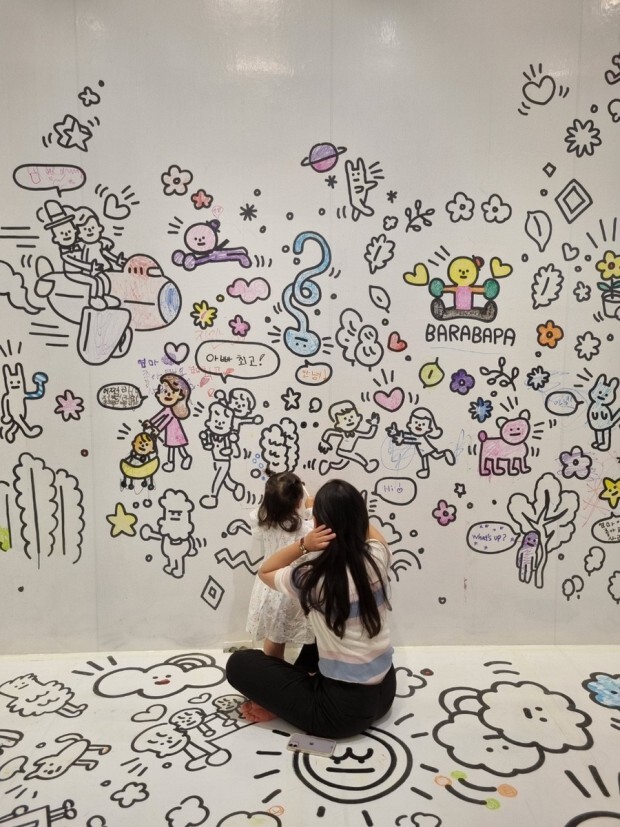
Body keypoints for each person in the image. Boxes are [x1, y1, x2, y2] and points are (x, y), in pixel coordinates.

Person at [226, 479, 396, 739]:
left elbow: (265, 571)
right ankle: (293, 694)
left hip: (340, 713)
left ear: (318, 525)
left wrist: (305, 544)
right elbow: (369, 532)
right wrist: (344, 512)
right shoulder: (377, 557)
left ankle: (279, 706)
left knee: (239, 663)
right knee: (321, 632)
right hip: (385, 691)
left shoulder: (313, 578)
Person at [246, 472, 315, 659]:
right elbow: (316, 530)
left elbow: (257, 513)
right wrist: (311, 509)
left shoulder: (262, 521)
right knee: (280, 634)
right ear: (298, 502)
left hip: (267, 584)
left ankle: (273, 669)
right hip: (288, 585)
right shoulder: (304, 529)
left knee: (274, 636)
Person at [144, 373, 192, 472]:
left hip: (175, 433)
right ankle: (182, 458)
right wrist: (150, 422)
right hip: (171, 432)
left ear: (180, 395)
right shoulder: (168, 408)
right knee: (175, 447)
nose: (168, 395)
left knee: (175, 447)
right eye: (165, 391)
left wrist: (158, 429)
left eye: (172, 392)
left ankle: (176, 460)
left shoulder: (173, 411)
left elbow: (166, 420)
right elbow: (160, 416)